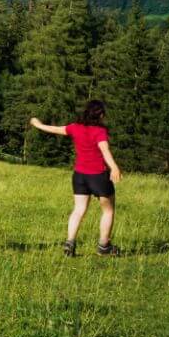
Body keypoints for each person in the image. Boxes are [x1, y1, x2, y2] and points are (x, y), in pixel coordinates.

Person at [30, 100, 121, 256]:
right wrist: (114, 167)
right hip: (98, 176)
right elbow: (105, 151)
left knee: (78, 210)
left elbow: (55, 129)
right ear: (100, 115)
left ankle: (70, 243)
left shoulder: (75, 127)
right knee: (108, 210)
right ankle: (104, 247)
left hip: (79, 176)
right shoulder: (99, 131)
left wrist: (38, 124)